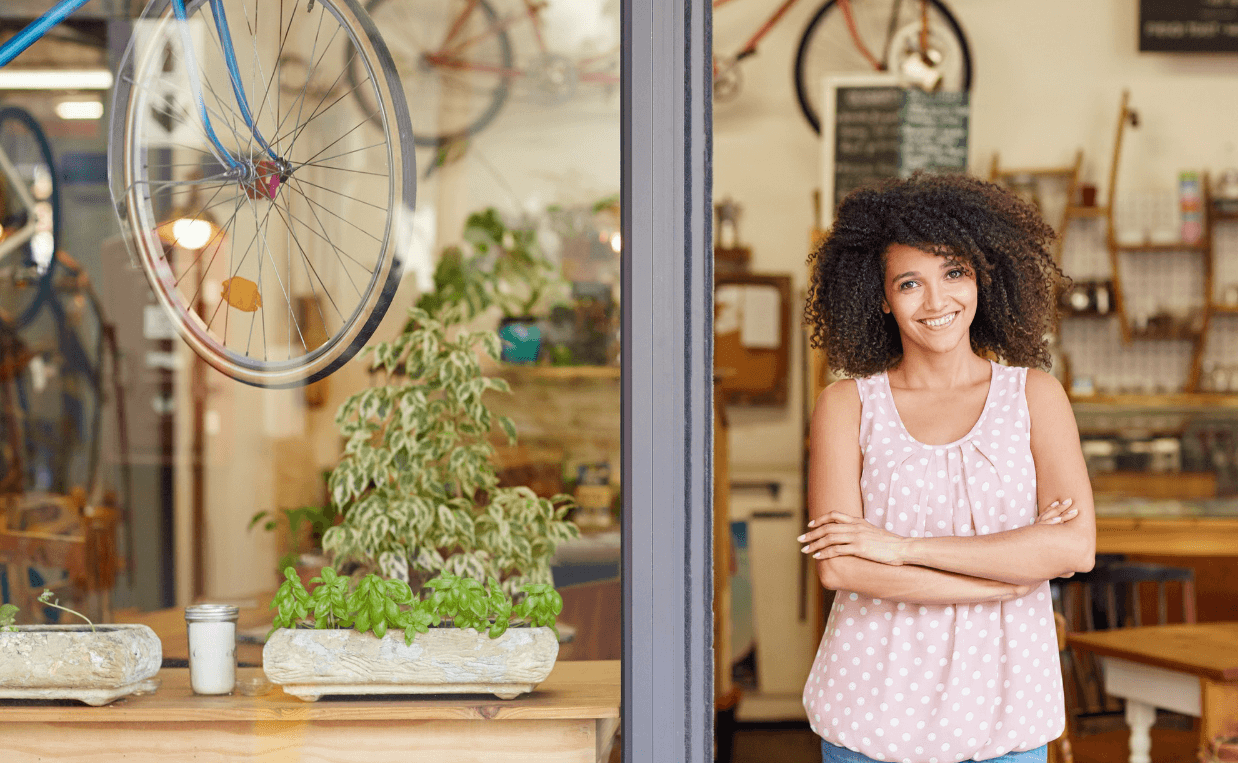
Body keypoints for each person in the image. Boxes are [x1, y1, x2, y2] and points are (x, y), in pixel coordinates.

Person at [797, 172, 1096, 763]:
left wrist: (898, 547)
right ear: (880, 297)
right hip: (870, 716)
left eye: (954, 273)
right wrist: (1010, 576)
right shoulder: (846, 406)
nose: (937, 302)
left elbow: (1075, 550)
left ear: (983, 276)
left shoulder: (1036, 396)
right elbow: (841, 569)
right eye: (910, 283)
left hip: (1005, 716)